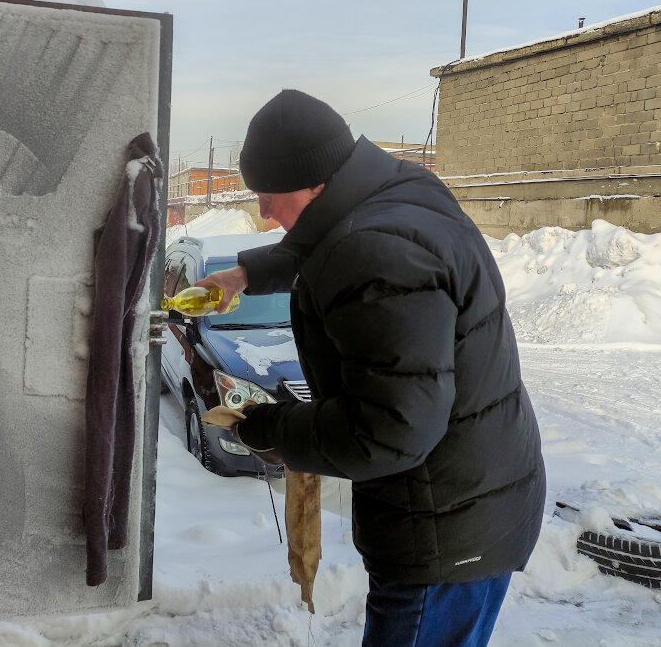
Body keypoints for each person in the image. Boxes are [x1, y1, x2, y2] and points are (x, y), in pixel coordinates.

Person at [196, 89, 546, 647]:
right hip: (475, 493)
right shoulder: (401, 189)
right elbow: (333, 231)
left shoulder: (376, 251)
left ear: (314, 182)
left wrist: (271, 428)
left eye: (268, 195)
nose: (262, 211)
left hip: (443, 526)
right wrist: (246, 273)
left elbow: (389, 431)